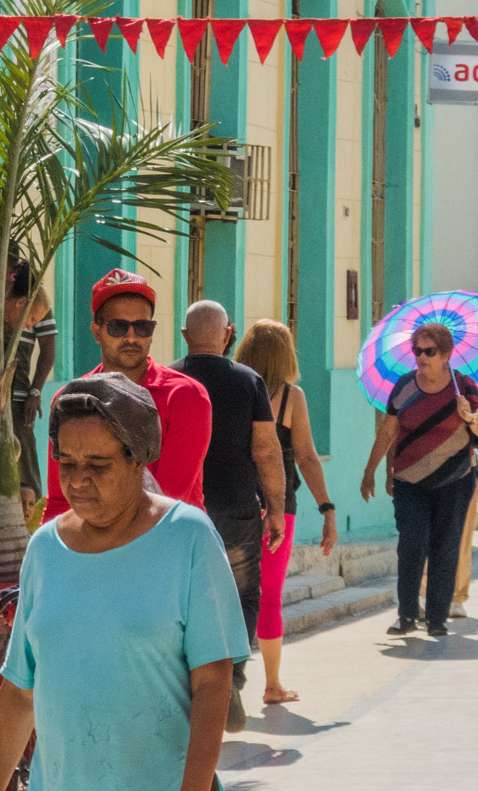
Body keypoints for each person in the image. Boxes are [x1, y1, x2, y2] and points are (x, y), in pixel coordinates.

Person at [0, 372, 252, 791]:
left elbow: (213, 682)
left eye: (97, 465)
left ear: (138, 459)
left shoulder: (188, 538)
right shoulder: (44, 550)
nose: (77, 480)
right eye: (66, 463)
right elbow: (21, 689)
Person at [175, 300, 284, 732]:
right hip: (237, 508)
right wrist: (275, 507)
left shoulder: (166, 377)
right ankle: (233, 678)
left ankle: (191, 687)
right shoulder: (248, 380)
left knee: (184, 599)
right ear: (228, 333)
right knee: (241, 596)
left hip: (180, 509)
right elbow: (265, 449)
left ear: (184, 336)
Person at [361, 320, 478, 637]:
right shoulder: (405, 386)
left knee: (445, 547)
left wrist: (470, 417)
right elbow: (389, 431)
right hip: (410, 483)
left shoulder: (464, 387)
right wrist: (371, 471)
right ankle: (407, 614)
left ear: (446, 353)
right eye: (417, 350)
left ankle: (436, 618)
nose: (421, 357)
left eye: (429, 351)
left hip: (455, 481)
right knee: (412, 544)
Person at [43, 270, 211, 516]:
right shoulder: (69, 400)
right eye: (118, 327)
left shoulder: (185, 396)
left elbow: (169, 498)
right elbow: (60, 500)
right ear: (97, 332)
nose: (131, 337)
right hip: (91, 543)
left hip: (169, 541)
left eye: (142, 327)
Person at [235, 318, 337, 707]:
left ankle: (227, 680)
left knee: (230, 593)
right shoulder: (291, 398)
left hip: (234, 503)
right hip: (280, 509)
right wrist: (326, 507)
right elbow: (308, 457)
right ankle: (272, 683)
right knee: (268, 596)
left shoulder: (234, 390)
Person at [8, 261, 57, 522]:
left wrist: (34, 393)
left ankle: (36, 528)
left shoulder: (37, 305)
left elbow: (48, 351)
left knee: (26, 470)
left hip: (19, 401)